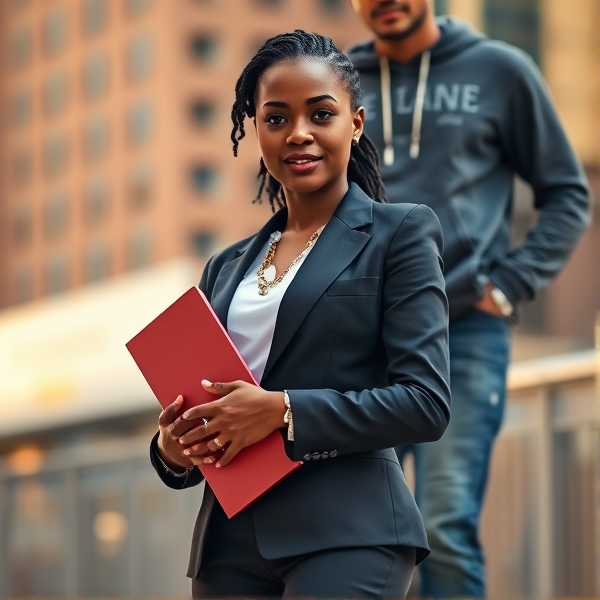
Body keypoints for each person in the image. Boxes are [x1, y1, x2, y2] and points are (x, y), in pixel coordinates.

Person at [148, 30, 450, 598]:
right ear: (256, 129)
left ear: (355, 124)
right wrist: (172, 445)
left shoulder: (400, 234)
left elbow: (425, 404)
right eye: (277, 118)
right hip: (229, 542)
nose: (299, 133)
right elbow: (209, 408)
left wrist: (282, 411)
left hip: (348, 531)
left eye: (321, 113)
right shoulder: (226, 266)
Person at [348, 1, 591, 598]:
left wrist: (508, 286)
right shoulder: (336, 79)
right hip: (361, 335)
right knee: (352, 532)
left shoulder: (501, 70)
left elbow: (567, 193)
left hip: (464, 333)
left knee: (446, 528)